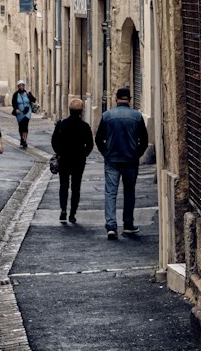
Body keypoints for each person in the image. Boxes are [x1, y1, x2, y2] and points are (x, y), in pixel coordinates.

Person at [94, 86, 149, 239]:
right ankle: (128, 224)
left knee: (111, 193)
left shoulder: (107, 116)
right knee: (129, 192)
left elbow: (99, 139)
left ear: (116, 99)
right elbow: (144, 140)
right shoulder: (137, 116)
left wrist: (106, 152)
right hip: (130, 160)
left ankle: (111, 226)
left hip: (112, 159)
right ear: (129, 99)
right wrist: (136, 153)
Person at [51, 95, 94, 223]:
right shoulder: (85, 126)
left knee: (63, 185)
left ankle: (63, 210)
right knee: (76, 187)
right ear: (81, 111)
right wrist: (83, 154)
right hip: (78, 161)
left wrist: (59, 152)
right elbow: (90, 144)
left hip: (64, 159)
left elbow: (54, 141)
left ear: (69, 110)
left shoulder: (62, 124)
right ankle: (72, 213)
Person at [11, 80, 33, 149]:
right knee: (21, 126)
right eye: (20, 85)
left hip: (27, 111)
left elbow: (33, 100)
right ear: (18, 86)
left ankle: (24, 140)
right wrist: (16, 109)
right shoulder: (16, 94)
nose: (21, 86)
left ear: (24, 86)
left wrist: (31, 96)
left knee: (25, 124)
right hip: (19, 112)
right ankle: (22, 138)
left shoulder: (27, 93)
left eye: (22, 85)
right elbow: (14, 102)